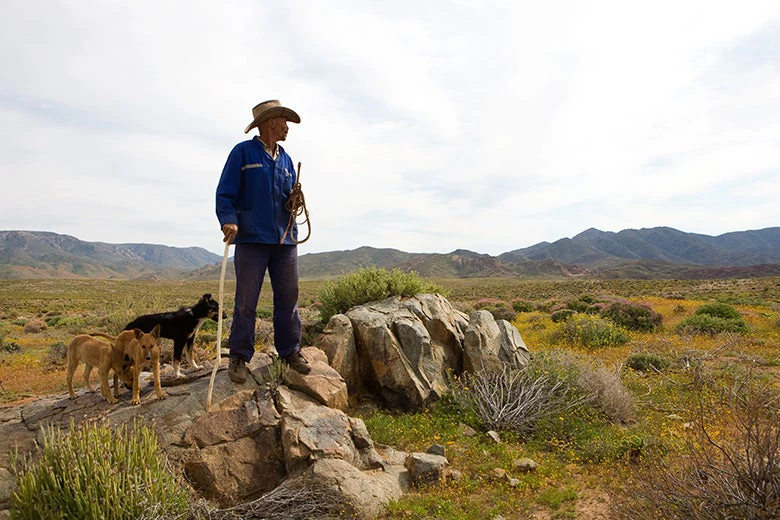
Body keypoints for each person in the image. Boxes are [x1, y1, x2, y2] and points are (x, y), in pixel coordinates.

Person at [216, 99, 311, 383]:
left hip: (284, 240)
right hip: (252, 239)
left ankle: (290, 351)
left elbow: (285, 201)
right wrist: (228, 219)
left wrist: (292, 202)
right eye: (284, 122)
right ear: (270, 122)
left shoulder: (285, 159)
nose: (287, 128)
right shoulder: (243, 153)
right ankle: (238, 356)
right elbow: (225, 193)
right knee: (246, 300)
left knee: (288, 297)